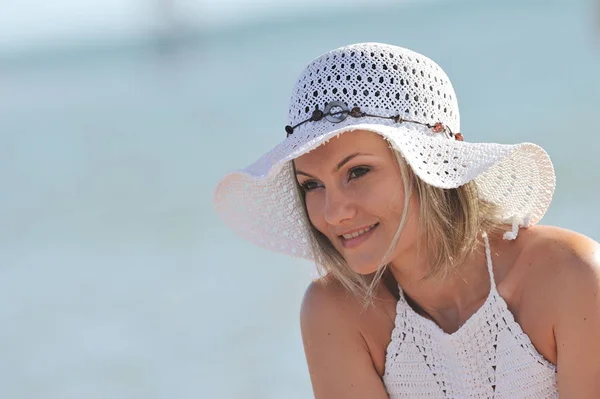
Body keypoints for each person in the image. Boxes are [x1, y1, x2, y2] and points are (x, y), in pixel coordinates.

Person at [213, 43, 600, 398]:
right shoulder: (335, 312)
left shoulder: (570, 277)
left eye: (358, 172)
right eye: (312, 185)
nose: (333, 213)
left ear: (432, 164)